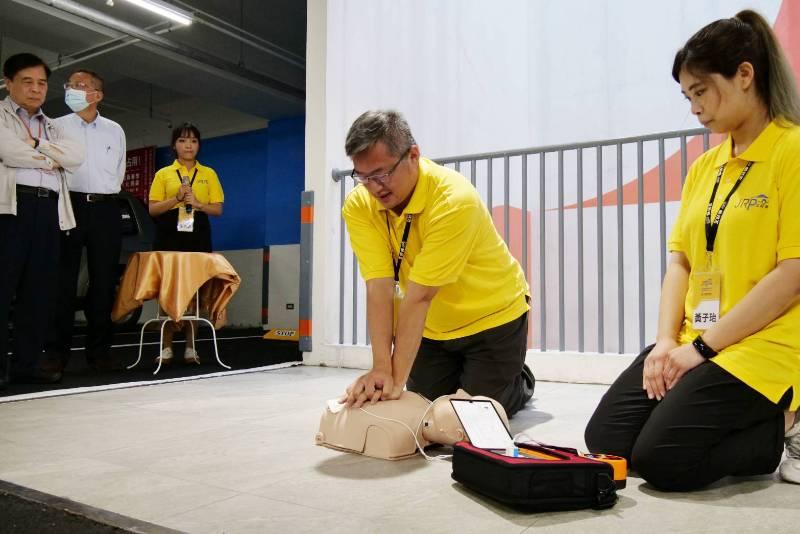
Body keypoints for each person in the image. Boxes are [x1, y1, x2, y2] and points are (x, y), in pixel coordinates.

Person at [584, 10, 800, 491]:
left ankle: (785, 423)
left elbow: (793, 273)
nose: (694, 108)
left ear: (745, 75)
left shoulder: (792, 151)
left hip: (763, 345)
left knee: (663, 462)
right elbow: (681, 260)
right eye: (687, 96)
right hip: (694, 339)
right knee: (609, 444)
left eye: (700, 91)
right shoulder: (706, 166)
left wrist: (701, 349)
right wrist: (666, 344)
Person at [340, 110, 534, 417]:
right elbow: (379, 286)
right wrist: (380, 368)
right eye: (363, 177)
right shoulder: (359, 205)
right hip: (432, 328)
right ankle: (477, 374)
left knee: (471, 417)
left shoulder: (454, 199)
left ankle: (517, 378)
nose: (374, 187)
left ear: (413, 155)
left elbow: (419, 296)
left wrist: (394, 383)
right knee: (425, 410)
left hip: (492, 317)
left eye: (381, 174)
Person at [0, 53, 84, 388]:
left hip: (49, 210)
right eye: (27, 81)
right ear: (9, 83)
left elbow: (76, 157)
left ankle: (26, 365)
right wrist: (51, 157)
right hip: (11, 208)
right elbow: (8, 151)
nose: (36, 89)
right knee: (3, 288)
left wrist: (36, 144)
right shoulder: (2, 115)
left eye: (42, 83)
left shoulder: (54, 125)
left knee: (39, 293)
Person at [47, 69, 126, 372]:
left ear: (97, 95)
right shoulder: (55, 126)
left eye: (80, 85)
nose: (72, 89)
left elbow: (118, 171)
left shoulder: (114, 129)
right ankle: (56, 354)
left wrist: (106, 194)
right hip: (69, 205)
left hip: (106, 208)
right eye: (69, 85)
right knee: (62, 282)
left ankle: (100, 353)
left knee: (104, 283)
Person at [147, 123, 224, 365]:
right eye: (182, 140)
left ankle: (191, 347)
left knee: (195, 290)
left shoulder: (209, 173)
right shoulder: (163, 174)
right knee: (168, 289)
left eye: (193, 141)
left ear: (199, 145)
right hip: (169, 232)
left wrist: (198, 203)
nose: (188, 145)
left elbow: (218, 209)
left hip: (197, 231)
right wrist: (176, 198)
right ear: (174, 145)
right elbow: (153, 209)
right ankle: (166, 347)